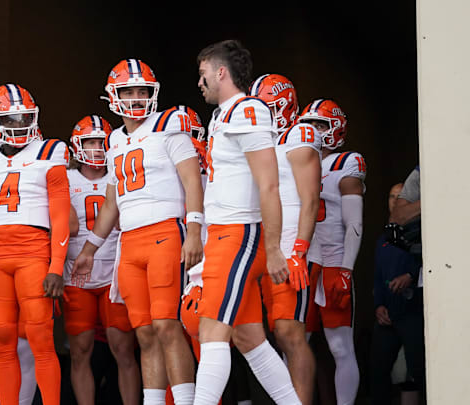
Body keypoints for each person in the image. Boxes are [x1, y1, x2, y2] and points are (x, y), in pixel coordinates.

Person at [72, 58, 204, 405]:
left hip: (165, 233)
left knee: (167, 326)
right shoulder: (114, 139)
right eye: (128, 90)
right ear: (113, 95)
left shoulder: (169, 123)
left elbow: (193, 182)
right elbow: (112, 203)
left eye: (141, 90)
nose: (135, 97)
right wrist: (89, 249)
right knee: (144, 334)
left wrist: (194, 231)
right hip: (129, 244)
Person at [193, 40, 301, 405]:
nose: (200, 83)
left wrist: (273, 249)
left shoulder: (247, 110)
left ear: (221, 72)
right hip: (226, 233)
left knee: (210, 330)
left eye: (203, 74)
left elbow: (268, 183)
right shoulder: (224, 113)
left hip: (238, 234)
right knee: (248, 338)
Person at [0, 84, 70, 405]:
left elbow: (60, 216)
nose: (19, 125)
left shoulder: (50, 151)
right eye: (11, 119)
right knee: (2, 340)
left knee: (40, 339)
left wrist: (56, 266)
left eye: (24, 118)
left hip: (34, 253)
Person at [250, 73, 322, 404]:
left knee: (290, 332)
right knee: (260, 334)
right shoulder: (257, 141)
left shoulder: (299, 134)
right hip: (259, 247)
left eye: (267, 107)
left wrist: (300, 250)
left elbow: (310, 199)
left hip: (289, 244)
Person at [64, 115, 141, 405]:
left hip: (115, 274)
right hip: (76, 276)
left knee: (124, 349)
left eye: (101, 142)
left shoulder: (121, 172)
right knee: (80, 351)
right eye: (90, 142)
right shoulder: (65, 178)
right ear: (77, 145)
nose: (97, 148)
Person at [298, 99, 366, 405]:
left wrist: (346, 269)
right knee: (296, 342)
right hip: (304, 262)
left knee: (340, 347)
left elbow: (354, 222)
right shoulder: (293, 159)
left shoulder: (346, 162)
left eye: (321, 125)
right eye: (309, 124)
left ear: (337, 129)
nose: (314, 131)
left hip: (333, 261)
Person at [371, 183, 425, 405]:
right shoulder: (383, 239)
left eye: (399, 197)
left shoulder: (421, 233)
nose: (395, 201)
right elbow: (377, 278)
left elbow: (429, 265)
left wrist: (410, 276)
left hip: (412, 311)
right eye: (391, 196)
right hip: (387, 314)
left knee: (419, 369)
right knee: (377, 371)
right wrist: (378, 306)